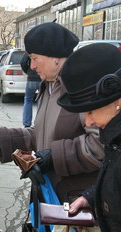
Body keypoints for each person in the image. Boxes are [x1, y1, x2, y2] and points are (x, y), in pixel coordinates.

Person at [0, 22, 104, 204]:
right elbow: (41, 135)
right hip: (50, 193)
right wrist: (2, 136)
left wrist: (53, 157)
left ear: (55, 57)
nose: (31, 66)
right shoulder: (49, 86)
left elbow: (99, 146)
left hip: (77, 201)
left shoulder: (81, 87)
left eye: (34, 58)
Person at [56, 43, 121, 231]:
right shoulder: (114, 133)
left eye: (91, 111)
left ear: (117, 101)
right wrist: (93, 197)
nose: (88, 122)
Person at [21, 52, 41, 127]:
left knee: (28, 100)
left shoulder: (30, 49)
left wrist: (28, 72)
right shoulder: (44, 47)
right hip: (42, 79)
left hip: (31, 79)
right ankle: (39, 122)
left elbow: (23, 62)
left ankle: (27, 123)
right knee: (42, 101)